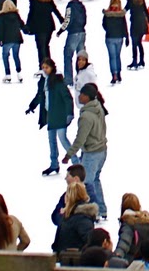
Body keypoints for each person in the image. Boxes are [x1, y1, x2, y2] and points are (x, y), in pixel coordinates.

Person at [65, 83, 109, 219]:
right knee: (95, 180)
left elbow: (81, 138)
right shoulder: (98, 107)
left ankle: (94, 211)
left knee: (87, 184)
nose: (79, 96)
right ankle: (101, 209)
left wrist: (69, 154)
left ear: (87, 97)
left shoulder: (86, 116)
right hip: (101, 150)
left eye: (81, 94)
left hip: (92, 153)